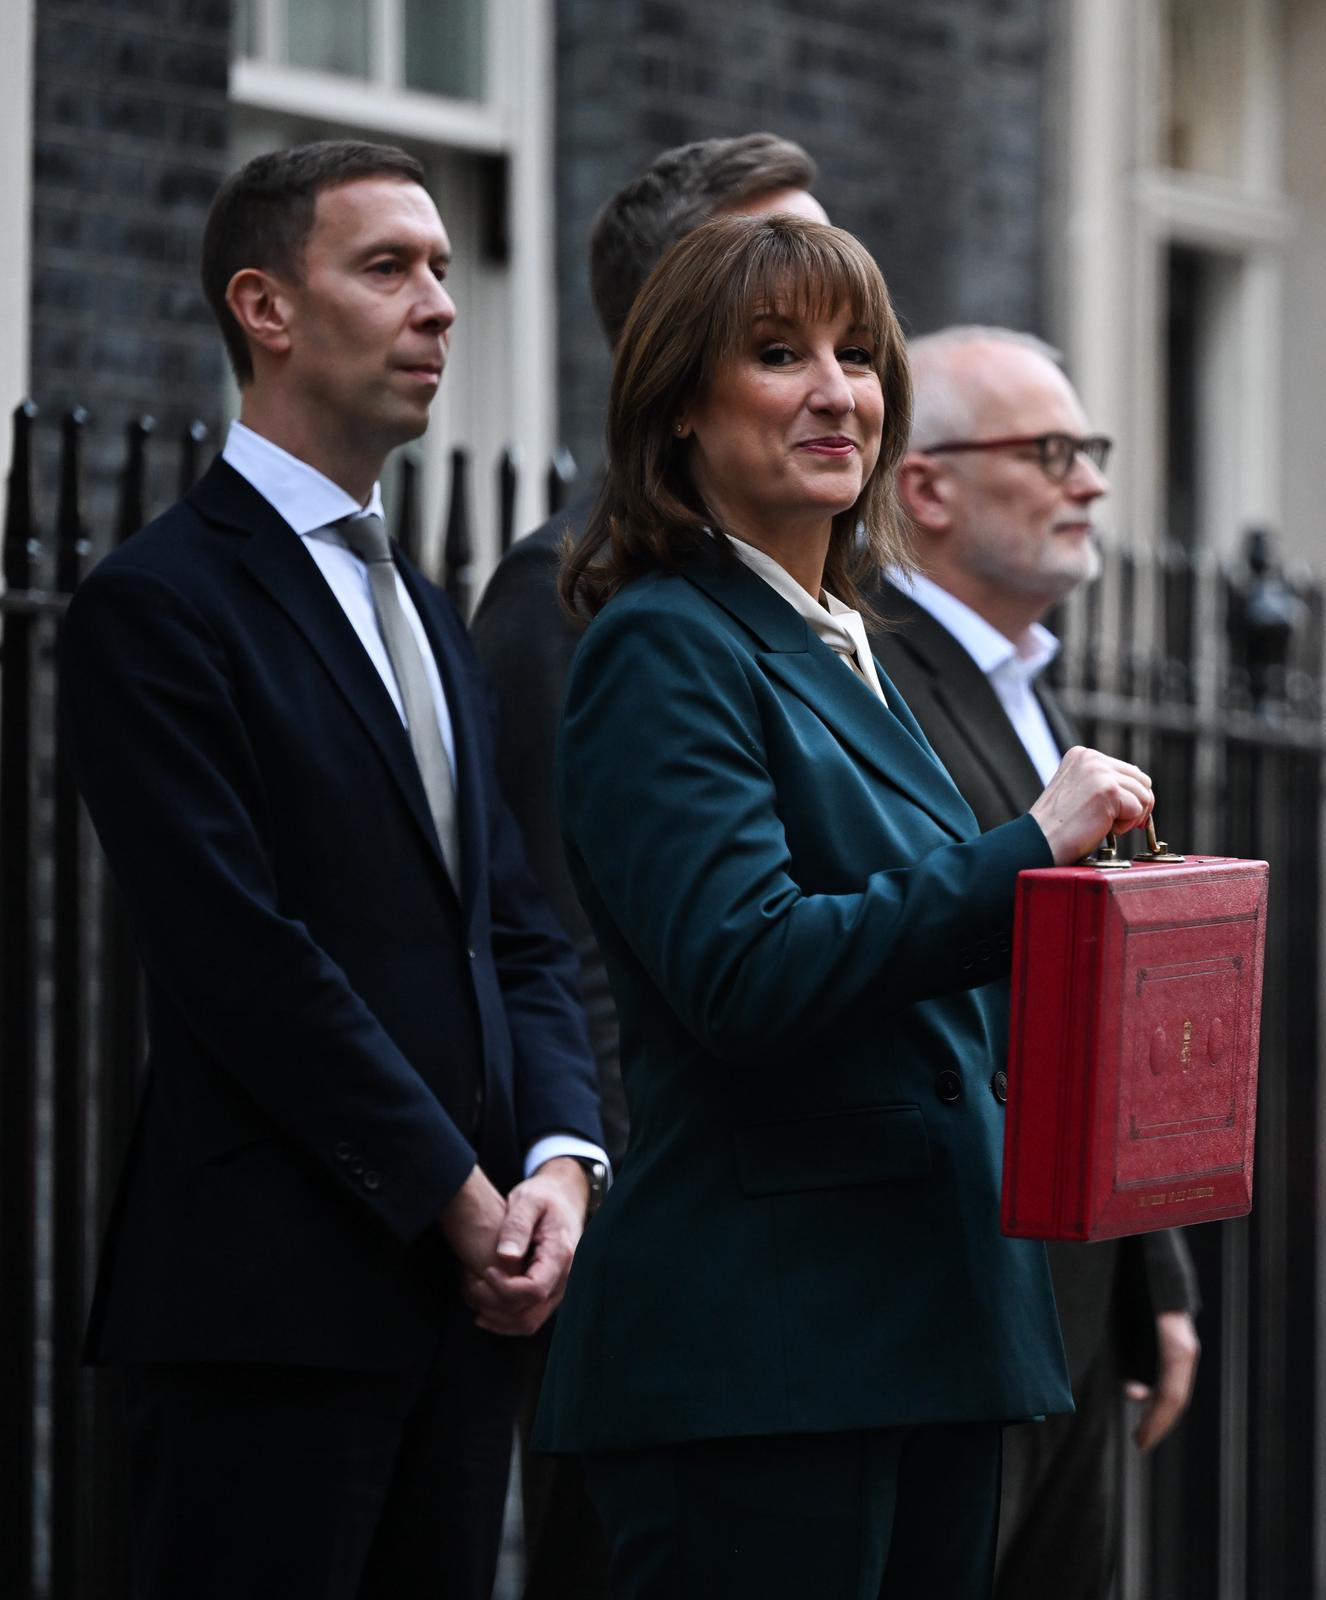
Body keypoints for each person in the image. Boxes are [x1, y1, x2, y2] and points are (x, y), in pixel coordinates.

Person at [532, 213, 1156, 1596]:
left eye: (859, 354)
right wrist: (1026, 851)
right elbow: (744, 970)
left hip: (925, 1321)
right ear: (680, 406)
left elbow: (935, 972)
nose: (839, 390)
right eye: (778, 355)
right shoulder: (662, 645)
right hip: (767, 1350)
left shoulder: (848, 640)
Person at [56, 140, 606, 1598]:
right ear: (264, 307)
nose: (439, 304)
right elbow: (239, 954)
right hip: (270, 1310)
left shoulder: (422, 604)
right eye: (388, 268)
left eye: (442, 268)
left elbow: (515, 928)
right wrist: (454, 1189)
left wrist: (560, 1158)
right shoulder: (153, 605)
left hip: (463, 1304)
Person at [468, 129, 825, 1596]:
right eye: (778, 282)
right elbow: (563, 949)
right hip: (672, 1272)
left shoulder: (819, 598)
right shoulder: (571, 596)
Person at [878, 325, 1202, 1599]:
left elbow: (1093, 1008)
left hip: (1069, 1296)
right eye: (1051, 450)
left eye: (1093, 449)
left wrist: (1152, 1274)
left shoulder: (1025, 682)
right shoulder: (877, 679)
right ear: (929, 488)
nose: (1093, 483)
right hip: (952, 1300)